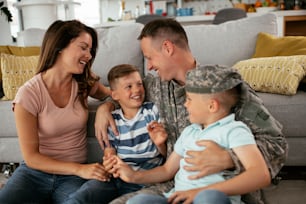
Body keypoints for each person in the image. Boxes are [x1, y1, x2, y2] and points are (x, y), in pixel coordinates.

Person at [95, 18, 288, 203]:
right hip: (171, 183)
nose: (150, 66)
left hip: (219, 187)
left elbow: (277, 145)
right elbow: (120, 92)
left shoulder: (222, 86)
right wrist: (106, 107)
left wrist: (229, 158)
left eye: (150, 58)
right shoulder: (155, 86)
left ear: (168, 48)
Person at [110, 65, 271, 204]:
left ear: (211, 106)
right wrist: (134, 176)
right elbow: (167, 170)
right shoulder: (190, 131)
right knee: (138, 202)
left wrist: (198, 192)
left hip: (209, 200)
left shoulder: (234, 130)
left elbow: (260, 175)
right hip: (178, 199)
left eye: (189, 99)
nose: (185, 104)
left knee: (209, 197)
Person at [0, 20, 112, 204]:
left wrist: (105, 108)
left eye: (90, 50)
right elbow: (31, 157)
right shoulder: (28, 94)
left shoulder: (84, 83)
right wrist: (79, 169)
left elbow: (114, 95)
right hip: (34, 174)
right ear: (60, 46)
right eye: (83, 48)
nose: (89, 55)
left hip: (72, 179)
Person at [65, 64, 167, 204]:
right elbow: (109, 151)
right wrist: (110, 161)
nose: (137, 89)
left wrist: (160, 144)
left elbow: (165, 153)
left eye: (139, 84)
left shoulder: (151, 112)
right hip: (116, 179)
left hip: (145, 181)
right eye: (129, 87)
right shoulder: (113, 120)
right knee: (82, 195)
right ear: (115, 95)